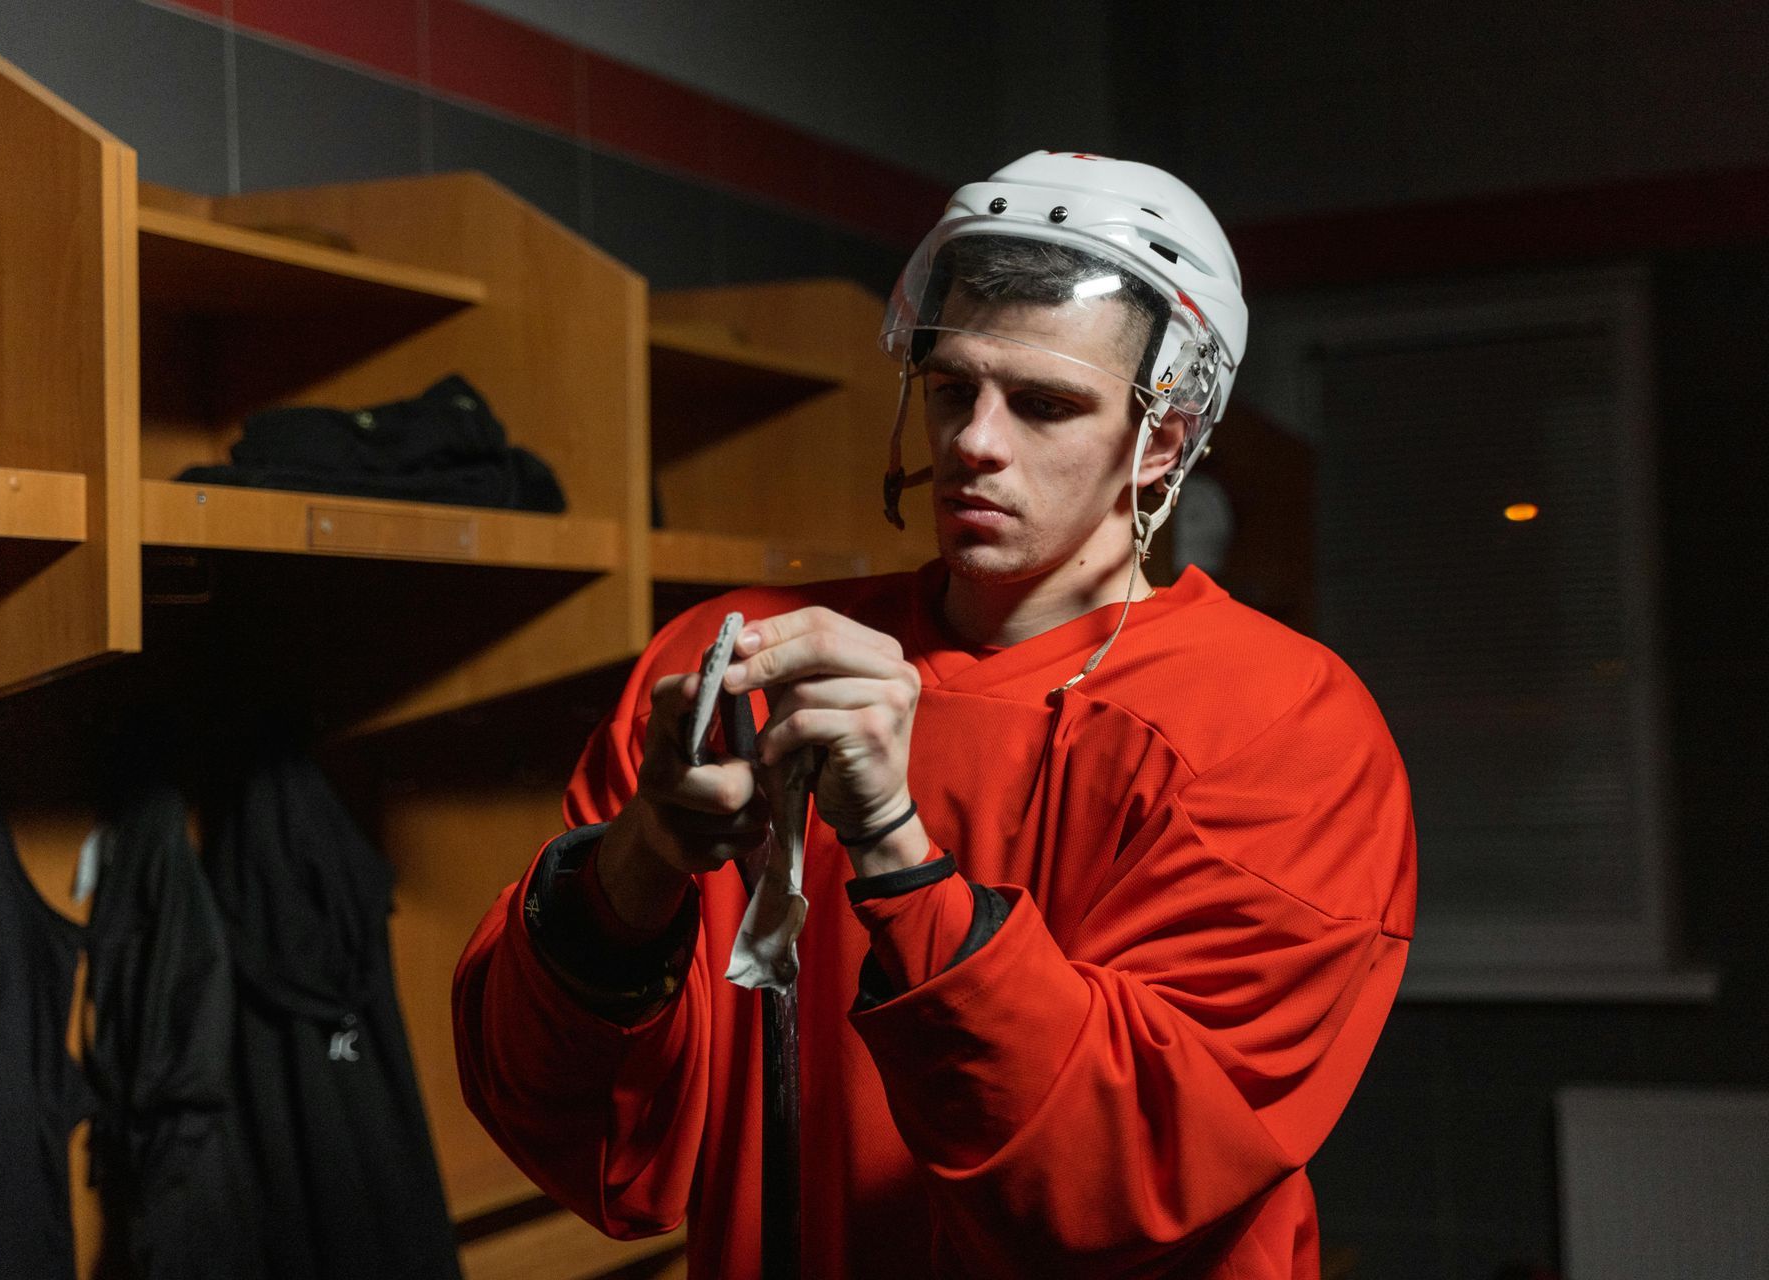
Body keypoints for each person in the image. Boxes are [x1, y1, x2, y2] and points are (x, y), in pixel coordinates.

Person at [453, 151, 1417, 1279]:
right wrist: (640, 862)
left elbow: (1120, 1178)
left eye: (1045, 403)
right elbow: (574, 1125)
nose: (974, 442)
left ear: (1162, 437)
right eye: (955, 388)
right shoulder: (744, 661)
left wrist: (894, 849)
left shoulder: (1279, 725)